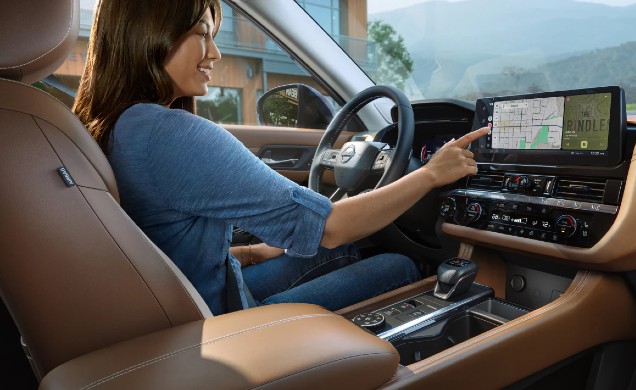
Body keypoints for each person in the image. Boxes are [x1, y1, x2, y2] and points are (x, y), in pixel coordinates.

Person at [74, 0, 488, 315]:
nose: (214, 53)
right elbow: (331, 228)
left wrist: (253, 253)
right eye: (202, 33)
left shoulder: (109, 125)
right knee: (398, 265)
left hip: (197, 297)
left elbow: (164, 248)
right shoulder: (168, 133)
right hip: (223, 321)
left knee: (327, 253)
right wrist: (432, 174)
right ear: (148, 34)